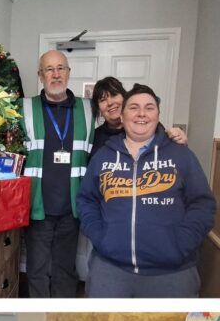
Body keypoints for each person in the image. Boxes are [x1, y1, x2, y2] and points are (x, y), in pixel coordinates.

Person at [77, 84, 216, 298]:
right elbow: (87, 200)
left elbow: (202, 204)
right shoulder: (103, 156)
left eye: (149, 107)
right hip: (110, 272)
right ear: (122, 117)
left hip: (172, 274)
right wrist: (101, 236)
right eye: (133, 107)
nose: (141, 113)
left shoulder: (181, 155)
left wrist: (181, 243)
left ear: (158, 115)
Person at [19, 50, 94, 298]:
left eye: (61, 68)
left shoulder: (88, 109)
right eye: (49, 69)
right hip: (37, 207)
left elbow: (125, 128)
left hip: (71, 209)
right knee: (37, 269)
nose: (56, 74)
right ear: (40, 76)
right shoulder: (24, 108)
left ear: (69, 73)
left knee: (65, 270)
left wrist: (165, 133)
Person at [90, 77, 188, 155]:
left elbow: (171, 153)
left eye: (114, 95)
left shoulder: (146, 126)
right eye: (102, 100)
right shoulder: (94, 137)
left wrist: (178, 138)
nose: (110, 102)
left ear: (125, 99)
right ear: (99, 109)